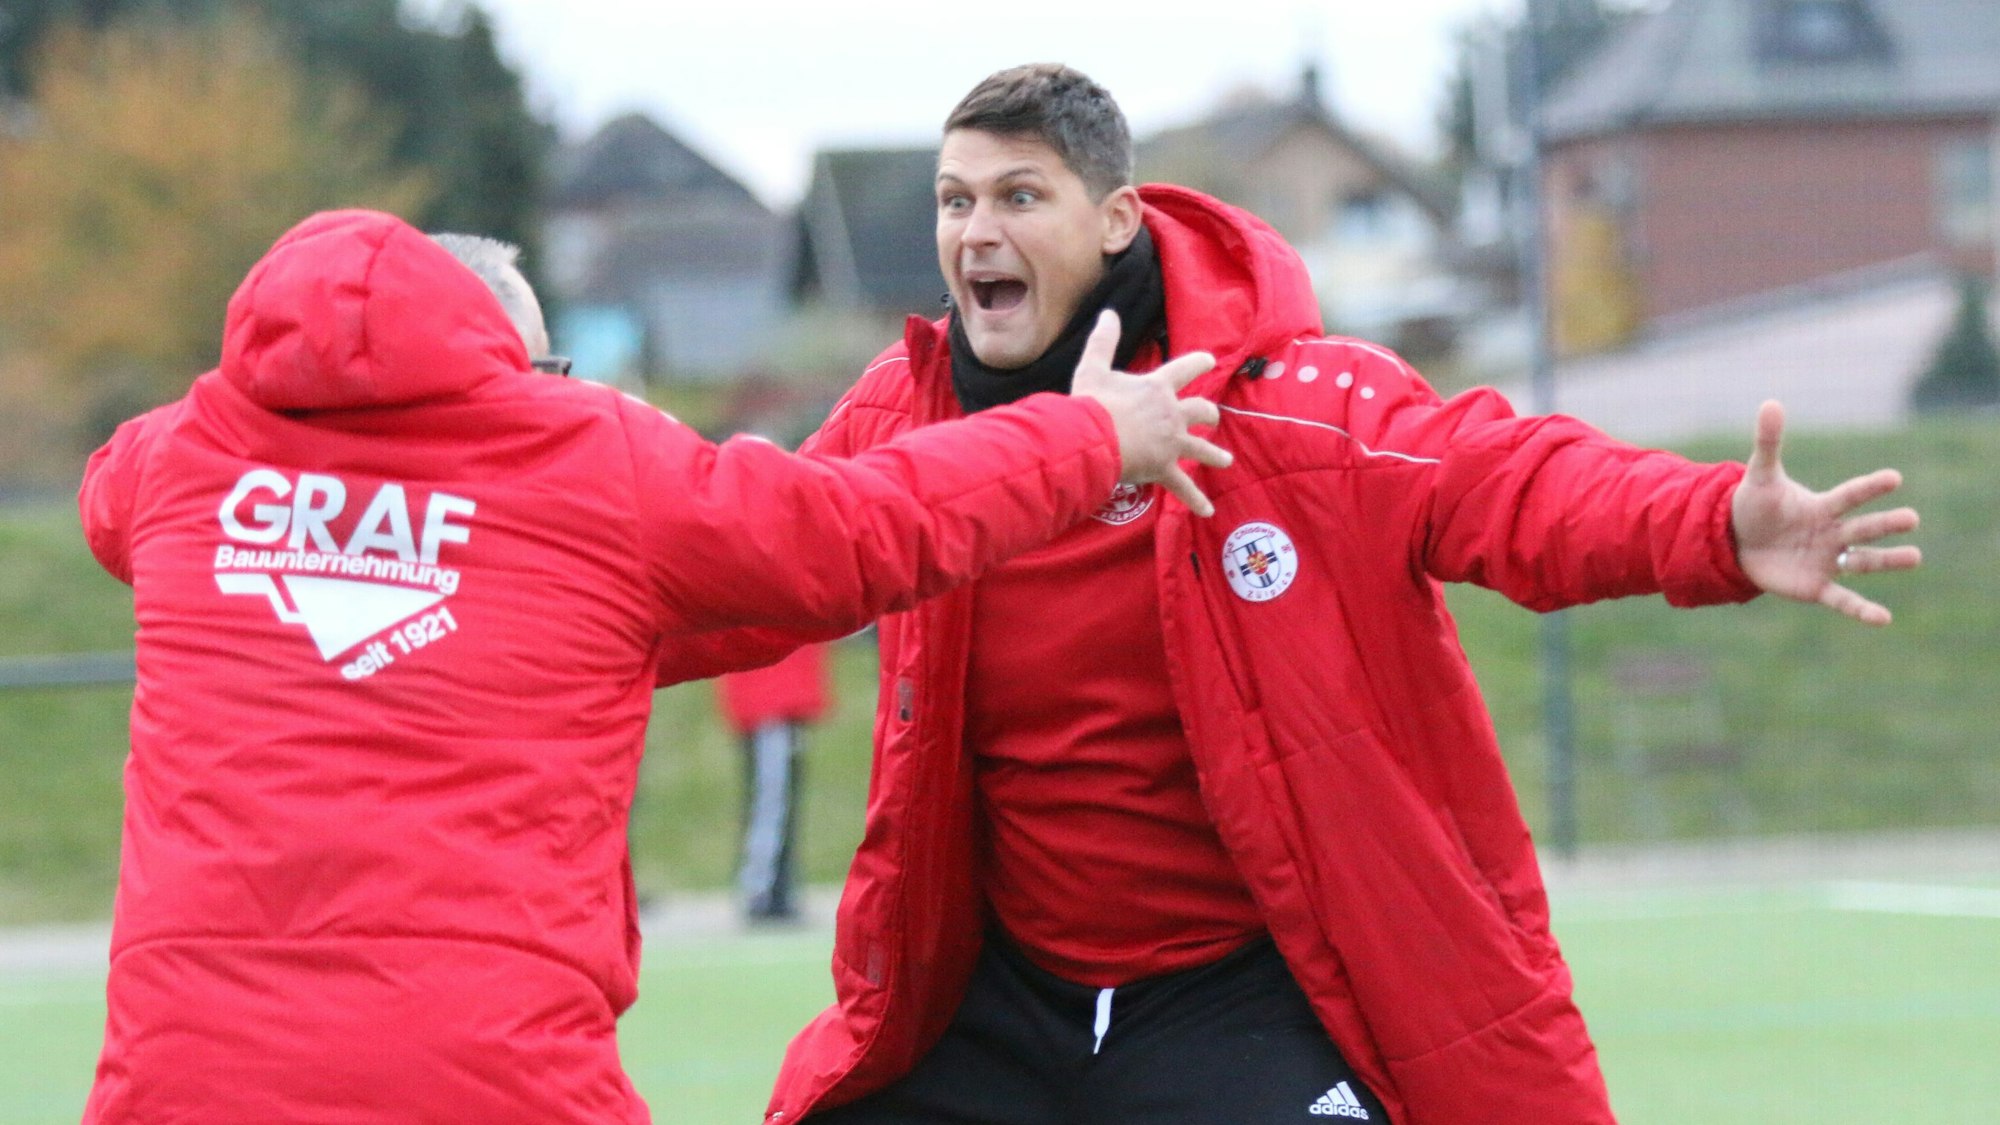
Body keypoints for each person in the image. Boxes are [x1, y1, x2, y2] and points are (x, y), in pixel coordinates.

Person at [729, 65, 1923, 1125]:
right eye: (955, 200)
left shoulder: (1294, 404)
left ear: (1114, 220)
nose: (975, 230)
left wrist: (1711, 523)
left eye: (1017, 197)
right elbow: (742, 557)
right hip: (996, 996)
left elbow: (1506, 483)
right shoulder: (901, 414)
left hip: (1229, 994)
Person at [73, 207, 1231, 1123]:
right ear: (505, 355)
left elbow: (109, 504)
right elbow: (856, 528)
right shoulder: (588, 459)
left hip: (177, 1084)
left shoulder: (183, 462)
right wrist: (1087, 440)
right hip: (492, 1081)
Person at [715, 641, 833, 921]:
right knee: (772, 797)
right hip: (770, 698)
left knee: (778, 796)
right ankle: (761, 889)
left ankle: (776, 887)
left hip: (776, 696)